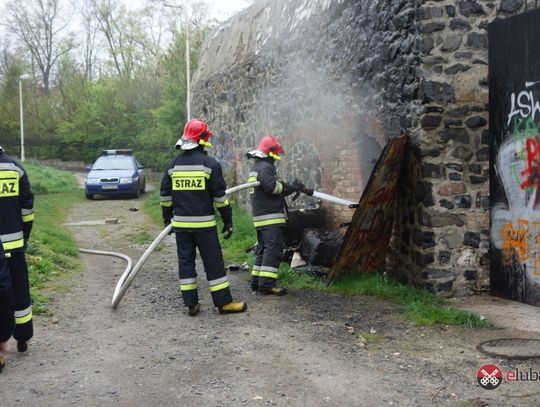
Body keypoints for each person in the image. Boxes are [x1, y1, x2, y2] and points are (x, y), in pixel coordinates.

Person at [160, 119, 247, 316]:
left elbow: (165, 198)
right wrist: (228, 221)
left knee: (186, 263)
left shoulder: (172, 166)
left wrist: (168, 221)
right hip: (204, 227)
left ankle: (191, 304)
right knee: (213, 263)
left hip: (181, 226)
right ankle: (224, 303)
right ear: (203, 139)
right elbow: (220, 198)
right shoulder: (210, 165)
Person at [247, 135, 313, 295]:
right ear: (270, 152)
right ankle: (267, 284)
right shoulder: (266, 167)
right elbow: (273, 188)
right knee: (274, 248)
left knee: (263, 248)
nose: (277, 158)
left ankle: (257, 281)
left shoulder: (257, 167)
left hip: (260, 216)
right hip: (270, 216)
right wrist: (288, 187)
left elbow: (275, 186)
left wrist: (291, 187)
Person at [0, 145, 34, 367]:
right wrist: (25, 236)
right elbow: (27, 208)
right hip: (13, 244)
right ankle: (22, 338)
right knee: (20, 291)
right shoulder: (14, 168)